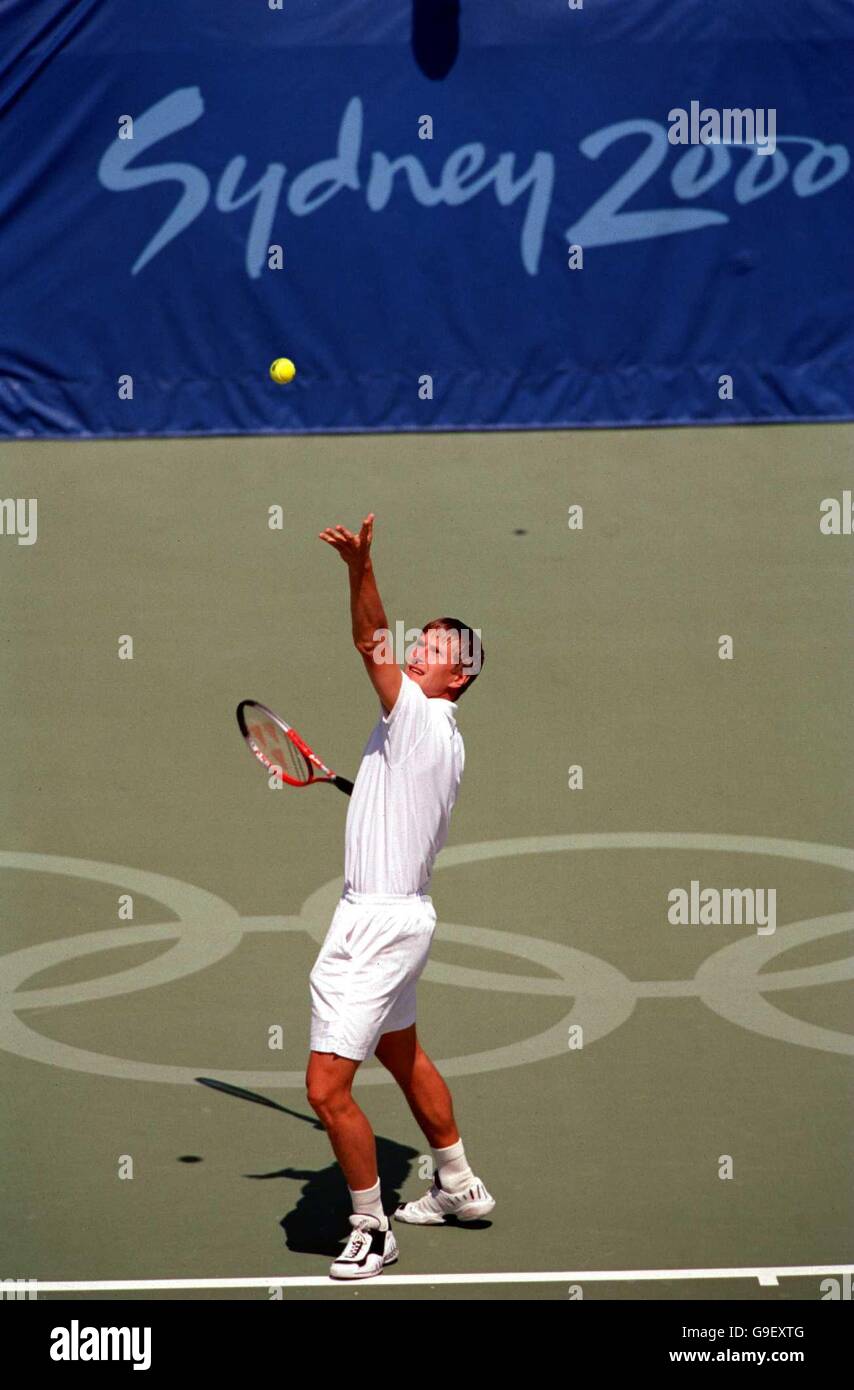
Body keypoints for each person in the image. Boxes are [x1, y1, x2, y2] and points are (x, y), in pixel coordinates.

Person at [308, 512, 494, 1280]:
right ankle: (457, 1184)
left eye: (435, 651)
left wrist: (361, 567)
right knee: (401, 1051)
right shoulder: (427, 733)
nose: (417, 651)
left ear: (458, 678)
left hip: (376, 924)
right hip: (398, 912)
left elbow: (369, 639)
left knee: (325, 1088)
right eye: (422, 642)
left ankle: (371, 1227)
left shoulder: (417, 717)